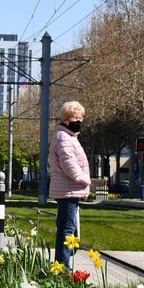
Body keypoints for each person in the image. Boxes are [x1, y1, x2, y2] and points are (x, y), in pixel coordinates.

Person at [48, 100, 90, 271]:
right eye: (75, 117)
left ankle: (61, 264)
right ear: (66, 119)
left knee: (66, 228)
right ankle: (63, 267)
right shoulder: (64, 138)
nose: (78, 121)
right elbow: (69, 165)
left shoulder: (67, 136)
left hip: (68, 189)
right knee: (67, 230)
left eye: (80, 117)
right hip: (68, 189)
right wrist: (84, 179)